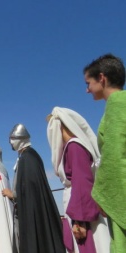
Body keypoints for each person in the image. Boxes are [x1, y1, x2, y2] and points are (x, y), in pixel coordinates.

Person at [47, 107, 110, 252]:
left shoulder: (74, 146)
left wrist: (80, 220)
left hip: (83, 212)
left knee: (91, 246)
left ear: (60, 126)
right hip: (81, 208)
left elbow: (82, 182)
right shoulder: (74, 146)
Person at [83, 53, 126, 252]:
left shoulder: (117, 104)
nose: (87, 89)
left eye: (88, 82)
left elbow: (115, 153)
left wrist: (102, 194)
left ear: (102, 78)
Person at [2, 123, 64, 253]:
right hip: (31, 207)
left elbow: (30, 190)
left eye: (14, 139)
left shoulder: (28, 158)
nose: (11, 142)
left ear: (22, 139)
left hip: (32, 210)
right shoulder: (28, 156)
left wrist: (14, 195)